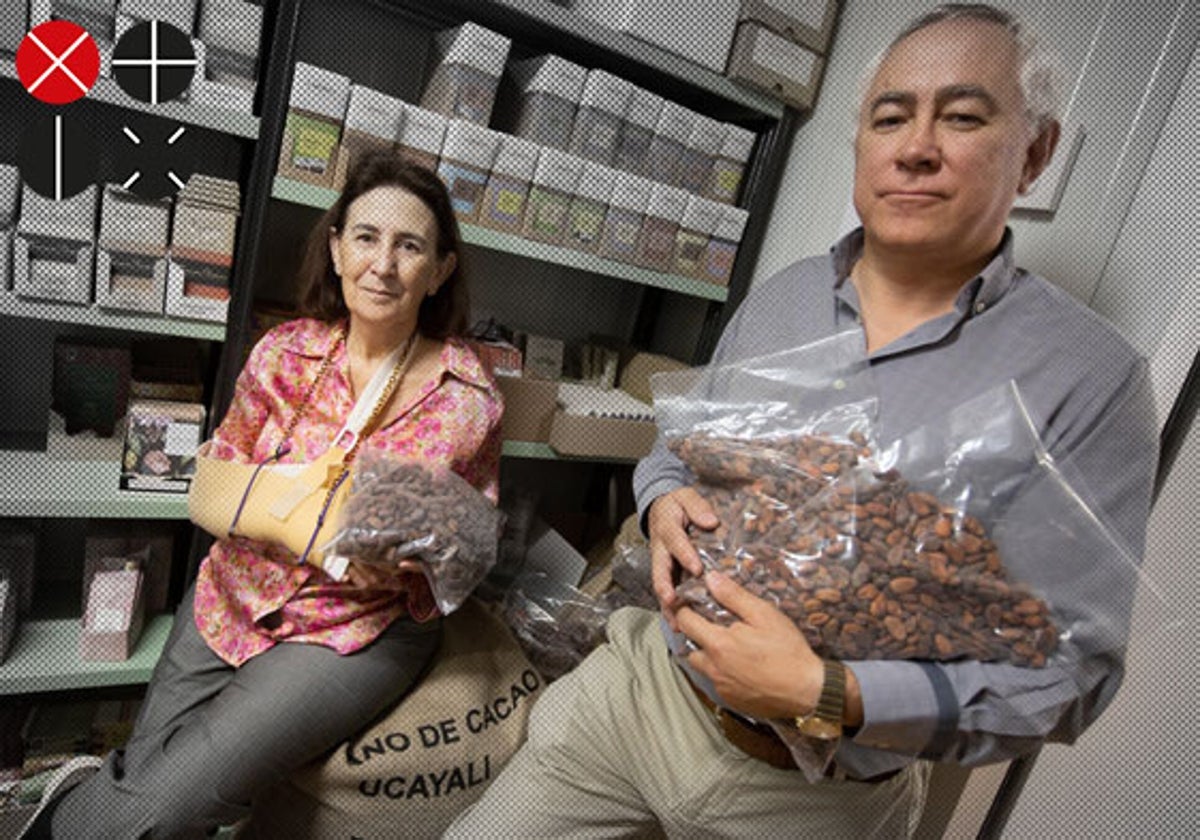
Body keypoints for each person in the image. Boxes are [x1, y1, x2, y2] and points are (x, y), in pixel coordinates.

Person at [445, 5, 1157, 838]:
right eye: (891, 116)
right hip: (642, 697)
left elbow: (1070, 673)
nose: (916, 145)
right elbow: (680, 447)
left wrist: (830, 692)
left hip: (815, 797)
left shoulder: (1089, 377)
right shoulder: (787, 296)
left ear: (1033, 153)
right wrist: (664, 495)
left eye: (963, 116)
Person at [22, 151, 504, 839]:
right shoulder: (284, 352)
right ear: (336, 248)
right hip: (233, 594)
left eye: (410, 246)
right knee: (152, 779)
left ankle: (60, 818)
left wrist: (393, 547)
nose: (383, 263)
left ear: (441, 269)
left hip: (350, 629)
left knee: (168, 803)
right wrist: (315, 520)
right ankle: (90, 797)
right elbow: (211, 491)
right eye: (365, 237)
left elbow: (467, 553)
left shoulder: (469, 398)